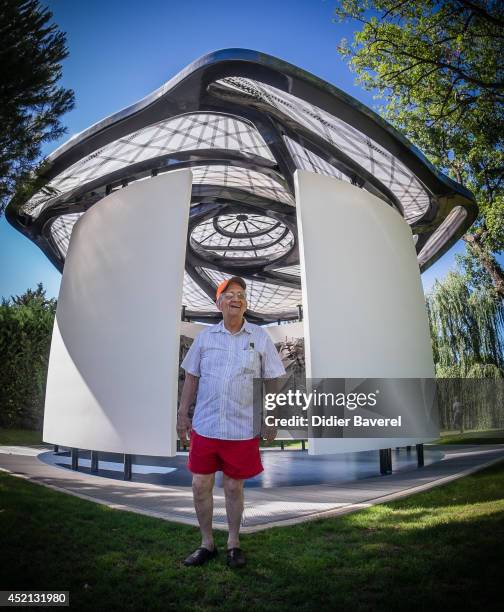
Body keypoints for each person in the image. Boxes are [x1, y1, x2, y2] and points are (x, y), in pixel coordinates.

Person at [177, 276, 286, 568]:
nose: (236, 298)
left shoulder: (260, 337)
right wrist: (182, 414)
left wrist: (271, 416)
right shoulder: (205, 338)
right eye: (230, 295)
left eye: (241, 294)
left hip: (241, 427)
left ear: (245, 303)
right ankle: (206, 543)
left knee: (234, 487)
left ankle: (233, 543)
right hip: (206, 425)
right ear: (219, 303)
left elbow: (272, 379)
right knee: (200, 484)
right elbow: (191, 378)